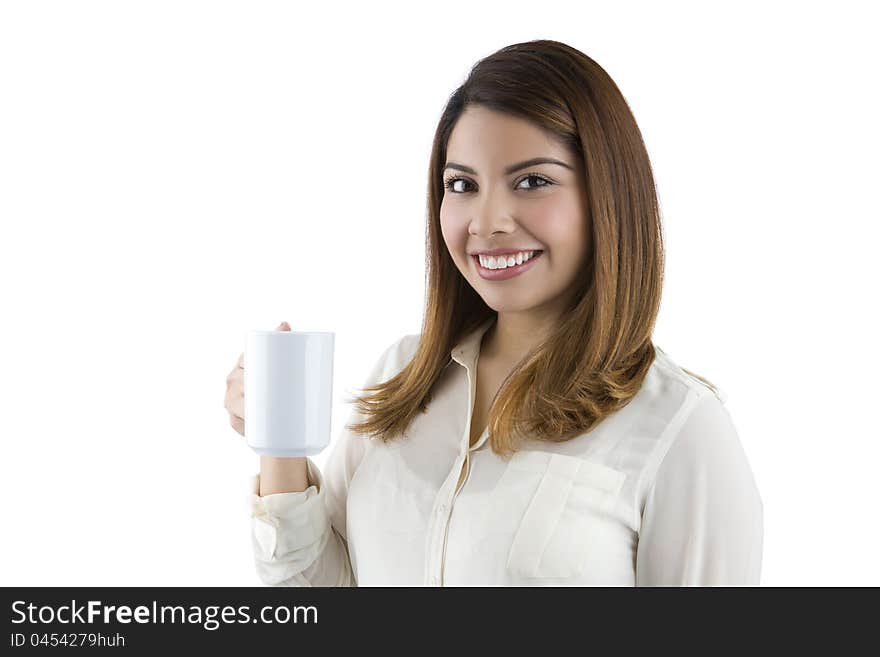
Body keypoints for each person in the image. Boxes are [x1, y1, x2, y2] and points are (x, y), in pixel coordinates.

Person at [224, 39, 763, 586]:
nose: (486, 222)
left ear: (608, 195)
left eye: (532, 181)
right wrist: (280, 448)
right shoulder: (402, 378)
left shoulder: (681, 429)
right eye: (462, 185)